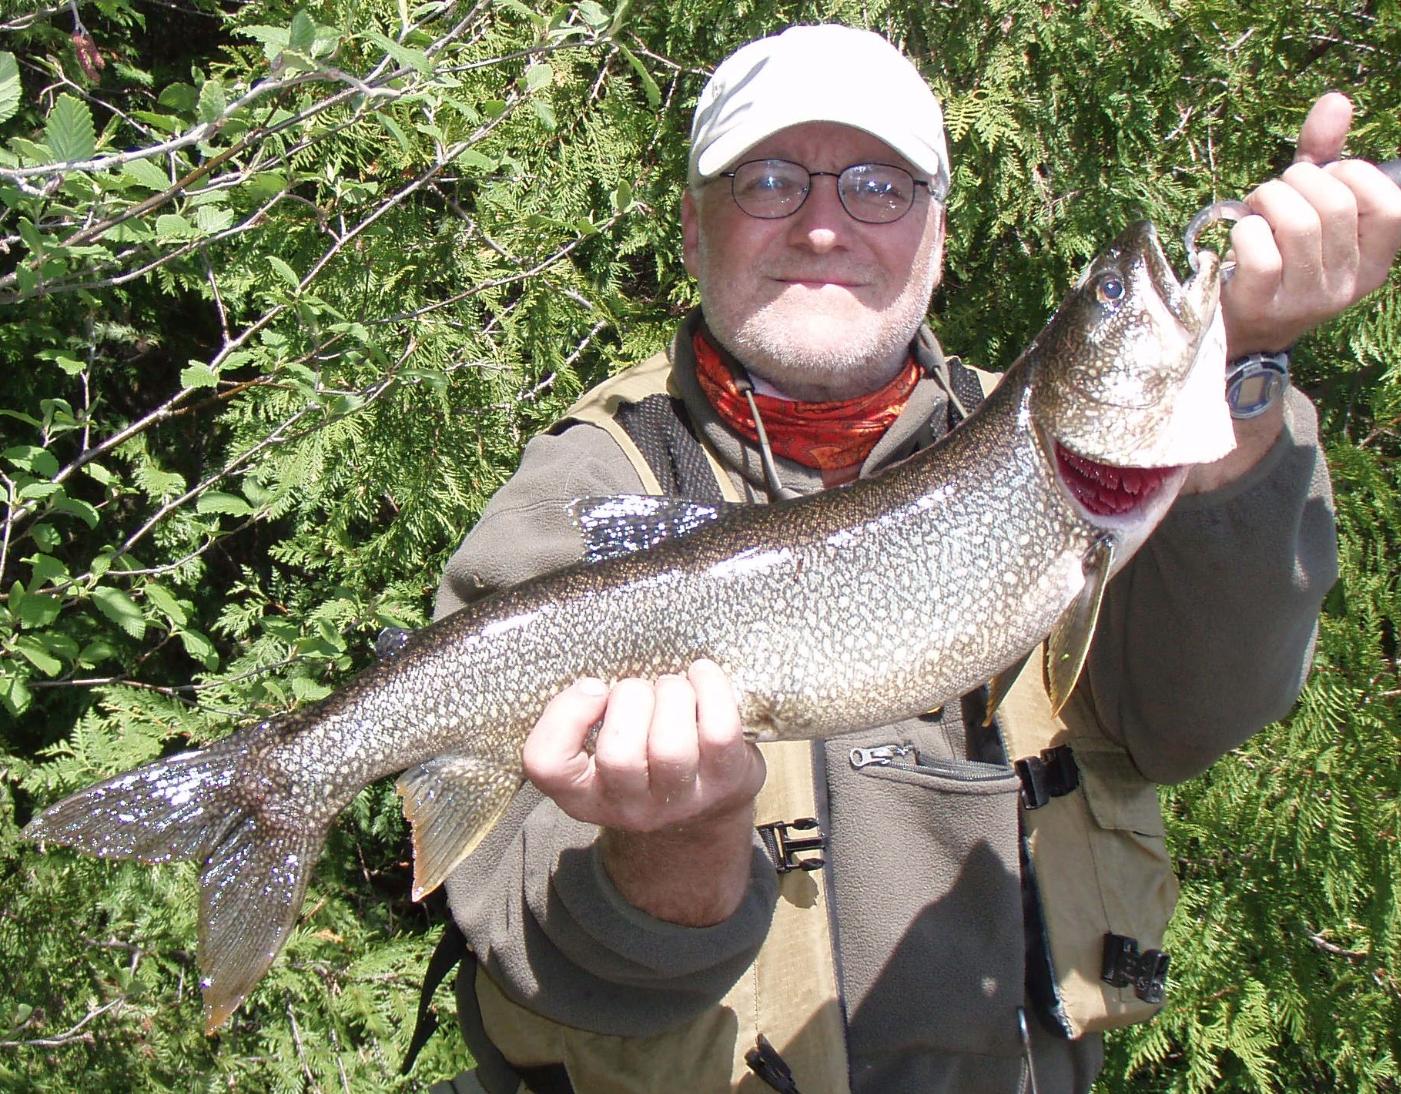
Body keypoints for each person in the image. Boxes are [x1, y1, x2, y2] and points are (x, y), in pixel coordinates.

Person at [427, 24, 1400, 1094]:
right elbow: (523, 943)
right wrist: (679, 850)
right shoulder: (585, 486)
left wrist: (1245, 366)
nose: (823, 225)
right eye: (768, 180)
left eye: (879, 187)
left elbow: (1186, 718)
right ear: (696, 232)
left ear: (936, 235)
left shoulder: (1036, 446)